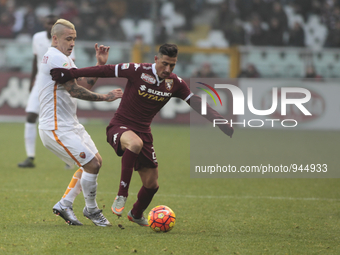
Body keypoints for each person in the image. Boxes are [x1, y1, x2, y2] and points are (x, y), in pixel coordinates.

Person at [50, 43, 233, 226]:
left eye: (172, 65)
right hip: (119, 126)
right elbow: (107, 70)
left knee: (152, 184)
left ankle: (136, 214)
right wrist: (70, 74)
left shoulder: (175, 83)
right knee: (134, 144)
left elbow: (195, 101)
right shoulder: (138, 70)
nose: (167, 69)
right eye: (164, 64)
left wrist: (219, 120)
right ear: (155, 59)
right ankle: (122, 194)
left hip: (144, 133)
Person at [38, 19, 123, 226]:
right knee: (91, 165)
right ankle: (91, 210)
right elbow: (74, 91)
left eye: (74, 39)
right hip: (55, 127)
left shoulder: (64, 57)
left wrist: (99, 65)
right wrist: (106, 97)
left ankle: (64, 204)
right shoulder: (57, 58)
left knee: (95, 162)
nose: (73, 43)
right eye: (68, 39)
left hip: (70, 124)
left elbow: (82, 84)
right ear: (55, 38)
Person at [18, 15, 75, 169]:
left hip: (58, 85)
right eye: (47, 23)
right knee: (30, 116)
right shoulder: (37, 38)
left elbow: (71, 62)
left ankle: (69, 157)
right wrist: (32, 81)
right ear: (44, 24)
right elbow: (35, 60)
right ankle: (30, 157)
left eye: (52, 23)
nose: (49, 25)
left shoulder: (65, 40)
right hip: (40, 82)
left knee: (62, 121)